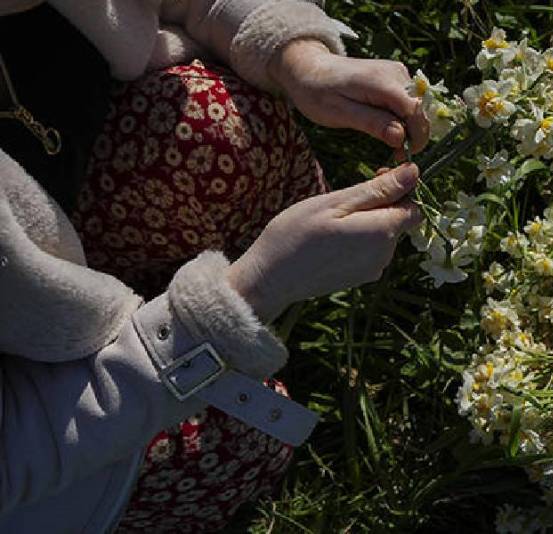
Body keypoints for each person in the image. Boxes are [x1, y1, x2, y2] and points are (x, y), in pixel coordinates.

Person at [0, 0, 429, 531]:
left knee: (208, 121)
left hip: (46, 244)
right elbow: (23, 449)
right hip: (49, 420)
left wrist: (303, 59)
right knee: (238, 443)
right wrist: (251, 291)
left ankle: (295, 252)